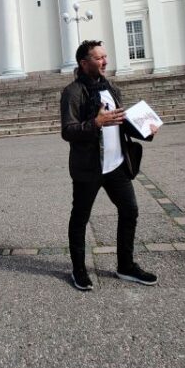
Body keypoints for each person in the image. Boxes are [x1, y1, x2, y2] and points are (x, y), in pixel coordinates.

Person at [60, 40, 159, 291]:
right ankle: (79, 270)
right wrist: (95, 123)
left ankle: (125, 265)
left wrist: (146, 130)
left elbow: (121, 122)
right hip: (89, 168)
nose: (105, 61)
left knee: (130, 211)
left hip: (116, 165)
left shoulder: (111, 89)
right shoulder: (72, 92)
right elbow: (68, 131)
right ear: (84, 63)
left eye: (105, 57)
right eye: (98, 58)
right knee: (80, 218)